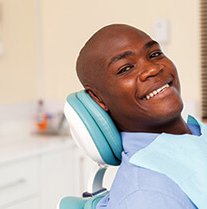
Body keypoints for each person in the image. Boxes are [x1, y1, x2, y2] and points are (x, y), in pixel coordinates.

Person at [76, 24, 198, 208]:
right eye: (125, 68)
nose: (153, 69)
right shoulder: (146, 195)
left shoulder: (198, 135)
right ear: (98, 98)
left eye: (155, 54)